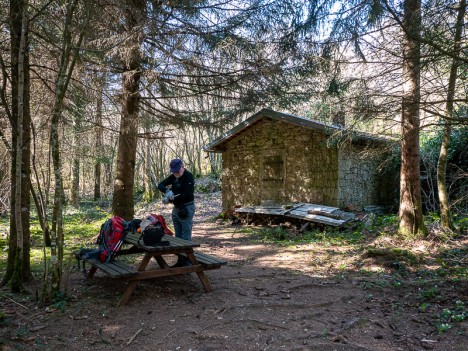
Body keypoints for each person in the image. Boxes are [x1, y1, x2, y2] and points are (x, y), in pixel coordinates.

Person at [157, 158, 195, 267]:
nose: (175, 174)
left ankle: (187, 260)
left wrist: (170, 199)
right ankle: (181, 260)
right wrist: (167, 191)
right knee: (178, 236)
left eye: (177, 171)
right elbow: (161, 185)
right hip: (176, 208)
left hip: (187, 207)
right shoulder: (174, 176)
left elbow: (187, 195)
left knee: (185, 235)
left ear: (182, 167)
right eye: (173, 172)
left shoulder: (189, 177)